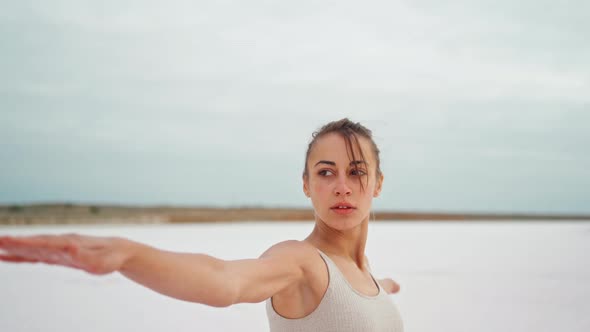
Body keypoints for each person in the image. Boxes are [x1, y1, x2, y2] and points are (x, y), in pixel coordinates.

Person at [0, 118, 403, 331]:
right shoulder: (301, 263)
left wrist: (381, 287)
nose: (343, 188)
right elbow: (225, 279)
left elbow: (349, 309)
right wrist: (128, 255)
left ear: (378, 184)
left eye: (357, 171)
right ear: (306, 185)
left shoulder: (363, 273)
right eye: (327, 173)